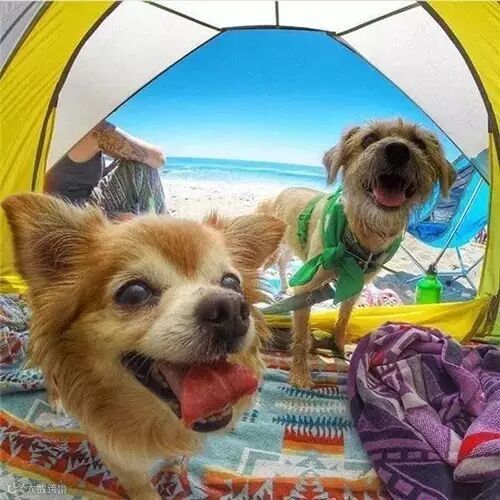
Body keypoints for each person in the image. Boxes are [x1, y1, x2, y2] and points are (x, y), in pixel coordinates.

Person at [44, 120, 167, 217]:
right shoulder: (92, 129)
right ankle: (161, 233)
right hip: (74, 213)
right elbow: (158, 158)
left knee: (127, 160)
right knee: (140, 166)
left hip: (51, 207)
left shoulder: (51, 126)